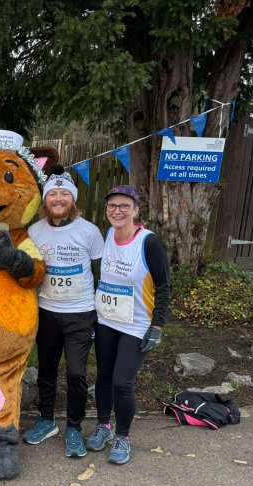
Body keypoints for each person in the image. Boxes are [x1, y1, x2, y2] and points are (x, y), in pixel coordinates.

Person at [86, 185, 170, 465]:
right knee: (104, 376)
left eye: (124, 206)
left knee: (122, 382)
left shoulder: (149, 242)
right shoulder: (108, 234)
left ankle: (123, 436)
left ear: (136, 211)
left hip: (137, 324)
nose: (117, 211)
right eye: (112, 206)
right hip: (108, 320)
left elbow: (163, 286)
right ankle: (103, 426)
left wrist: (157, 326)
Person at [23, 167, 104, 458]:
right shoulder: (35, 230)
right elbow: (31, 271)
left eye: (64, 194)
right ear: (46, 200)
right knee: (46, 370)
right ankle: (46, 420)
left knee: (77, 373)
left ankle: (73, 427)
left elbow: (100, 272)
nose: (58, 199)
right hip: (47, 312)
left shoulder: (89, 231)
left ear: (72, 199)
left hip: (80, 313)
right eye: (53, 194)